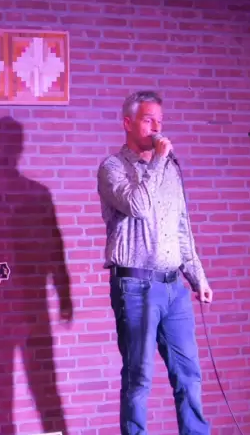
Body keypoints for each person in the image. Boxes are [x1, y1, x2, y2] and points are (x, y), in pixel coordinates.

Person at [97, 91, 213, 435]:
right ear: (128, 123)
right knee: (139, 375)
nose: (157, 128)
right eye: (149, 120)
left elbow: (181, 228)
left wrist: (197, 278)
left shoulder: (171, 172)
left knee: (188, 373)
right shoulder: (113, 167)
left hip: (173, 287)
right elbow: (137, 205)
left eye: (160, 121)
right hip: (134, 286)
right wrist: (159, 162)